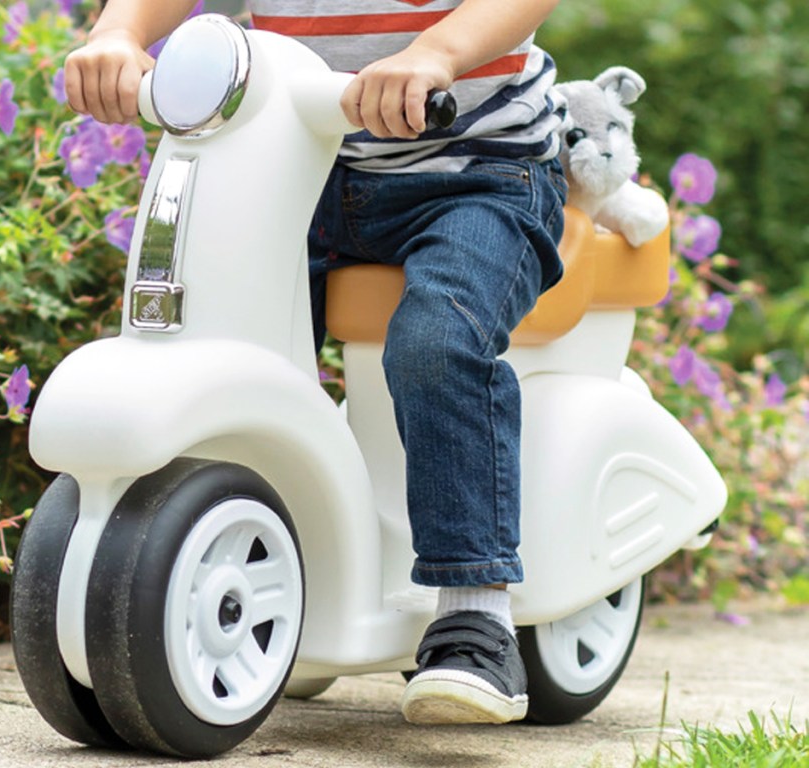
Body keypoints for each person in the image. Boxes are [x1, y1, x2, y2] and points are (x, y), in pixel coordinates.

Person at [65, 0, 567, 726]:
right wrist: (119, 32)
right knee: (226, 332)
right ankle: (274, 563)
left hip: (475, 170)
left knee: (437, 341)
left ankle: (474, 611)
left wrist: (437, 50)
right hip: (296, 165)